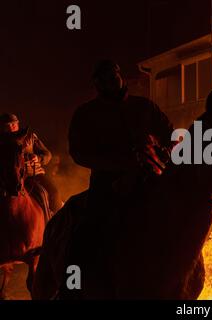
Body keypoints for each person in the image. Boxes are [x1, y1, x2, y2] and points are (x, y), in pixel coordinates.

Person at [65, 60, 175, 298]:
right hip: (108, 184)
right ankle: (72, 288)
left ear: (120, 77)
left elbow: (170, 134)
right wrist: (118, 164)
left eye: (113, 77)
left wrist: (164, 152)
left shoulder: (144, 107)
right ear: (97, 84)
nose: (111, 82)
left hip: (150, 179)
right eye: (104, 79)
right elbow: (78, 151)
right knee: (86, 232)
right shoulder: (86, 114)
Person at [0, 113, 62, 213]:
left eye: (13, 124)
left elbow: (47, 154)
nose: (11, 127)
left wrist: (38, 158)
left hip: (33, 174)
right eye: (7, 125)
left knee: (54, 193)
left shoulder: (30, 137)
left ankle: (59, 222)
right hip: (10, 177)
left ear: (18, 124)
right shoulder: (2, 142)